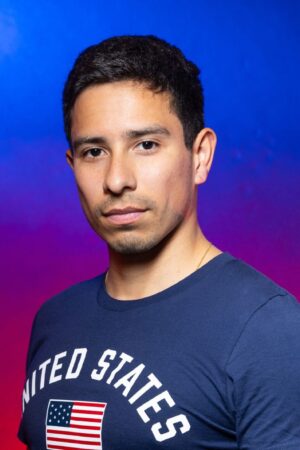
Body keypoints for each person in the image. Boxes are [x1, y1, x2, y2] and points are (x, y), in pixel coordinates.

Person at [18, 35, 300, 450]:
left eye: (146, 145)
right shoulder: (53, 320)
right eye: (94, 152)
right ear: (72, 164)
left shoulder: (267, 329)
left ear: (200, 156)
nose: (116, 180)